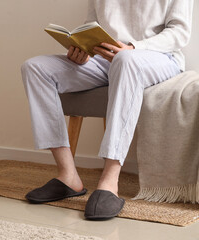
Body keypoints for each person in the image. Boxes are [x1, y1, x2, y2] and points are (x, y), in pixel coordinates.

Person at [21, 0, 193, 219]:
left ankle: (110, 181)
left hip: (157, 57)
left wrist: (133, 48)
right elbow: (92, 25)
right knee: (35, 69)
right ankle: (68, 176)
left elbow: (180, 32)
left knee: (126, 60)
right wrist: (83, 49)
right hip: (105, 59)